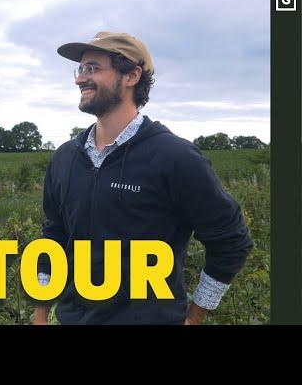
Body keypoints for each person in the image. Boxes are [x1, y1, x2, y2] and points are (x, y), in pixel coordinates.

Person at [33, 31, 253, 325]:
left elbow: (231, 241)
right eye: (80, 69)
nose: (79, 79)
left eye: (93, 68)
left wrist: (194, 316)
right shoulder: (65, 158)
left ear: (131, 76)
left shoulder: (175, 157)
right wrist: (40, 314)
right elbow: (54, 237)